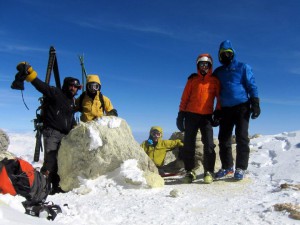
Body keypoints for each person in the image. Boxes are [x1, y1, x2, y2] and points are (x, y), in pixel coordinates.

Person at [15, 62, 81, 194]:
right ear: (66, 86)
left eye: (76, 87)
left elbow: (70, 118)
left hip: (65, 135)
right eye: (72, 86)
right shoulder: (56, 93)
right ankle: (42, 188)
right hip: (52, 133)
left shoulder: (72, 102)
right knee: (50, 161)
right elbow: (41, 86)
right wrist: (30, 73)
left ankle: (55, 187)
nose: (74, 89)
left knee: (60, 161)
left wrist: (75, 128)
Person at [213, 40, 261, 180]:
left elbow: (251, 85)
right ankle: (227, 167)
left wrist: (255, 103)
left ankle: (241, 168)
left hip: (242, 107)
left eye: (228, 53)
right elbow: (214, 91)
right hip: (225, 109)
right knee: (223, 139)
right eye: (223, 54)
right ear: (220, 56)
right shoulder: (218, 72)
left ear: (233, 53)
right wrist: (216, 111)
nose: (226, 56)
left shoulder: (243, 67)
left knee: (241, 137)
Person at [176, 53, 221, 184]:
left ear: (210, 65)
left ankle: (209, 171)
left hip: (206, 116)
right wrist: (181, 114)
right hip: (191, 115)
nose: (204, 66)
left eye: (207, 64)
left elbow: (219, 99)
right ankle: (190, 172)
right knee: (188, 145)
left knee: (209, 145)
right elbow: (185, 97)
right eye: (201, 64)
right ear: (198, 65)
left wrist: (217, 113)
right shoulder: (192, 80)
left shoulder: (214, 80)